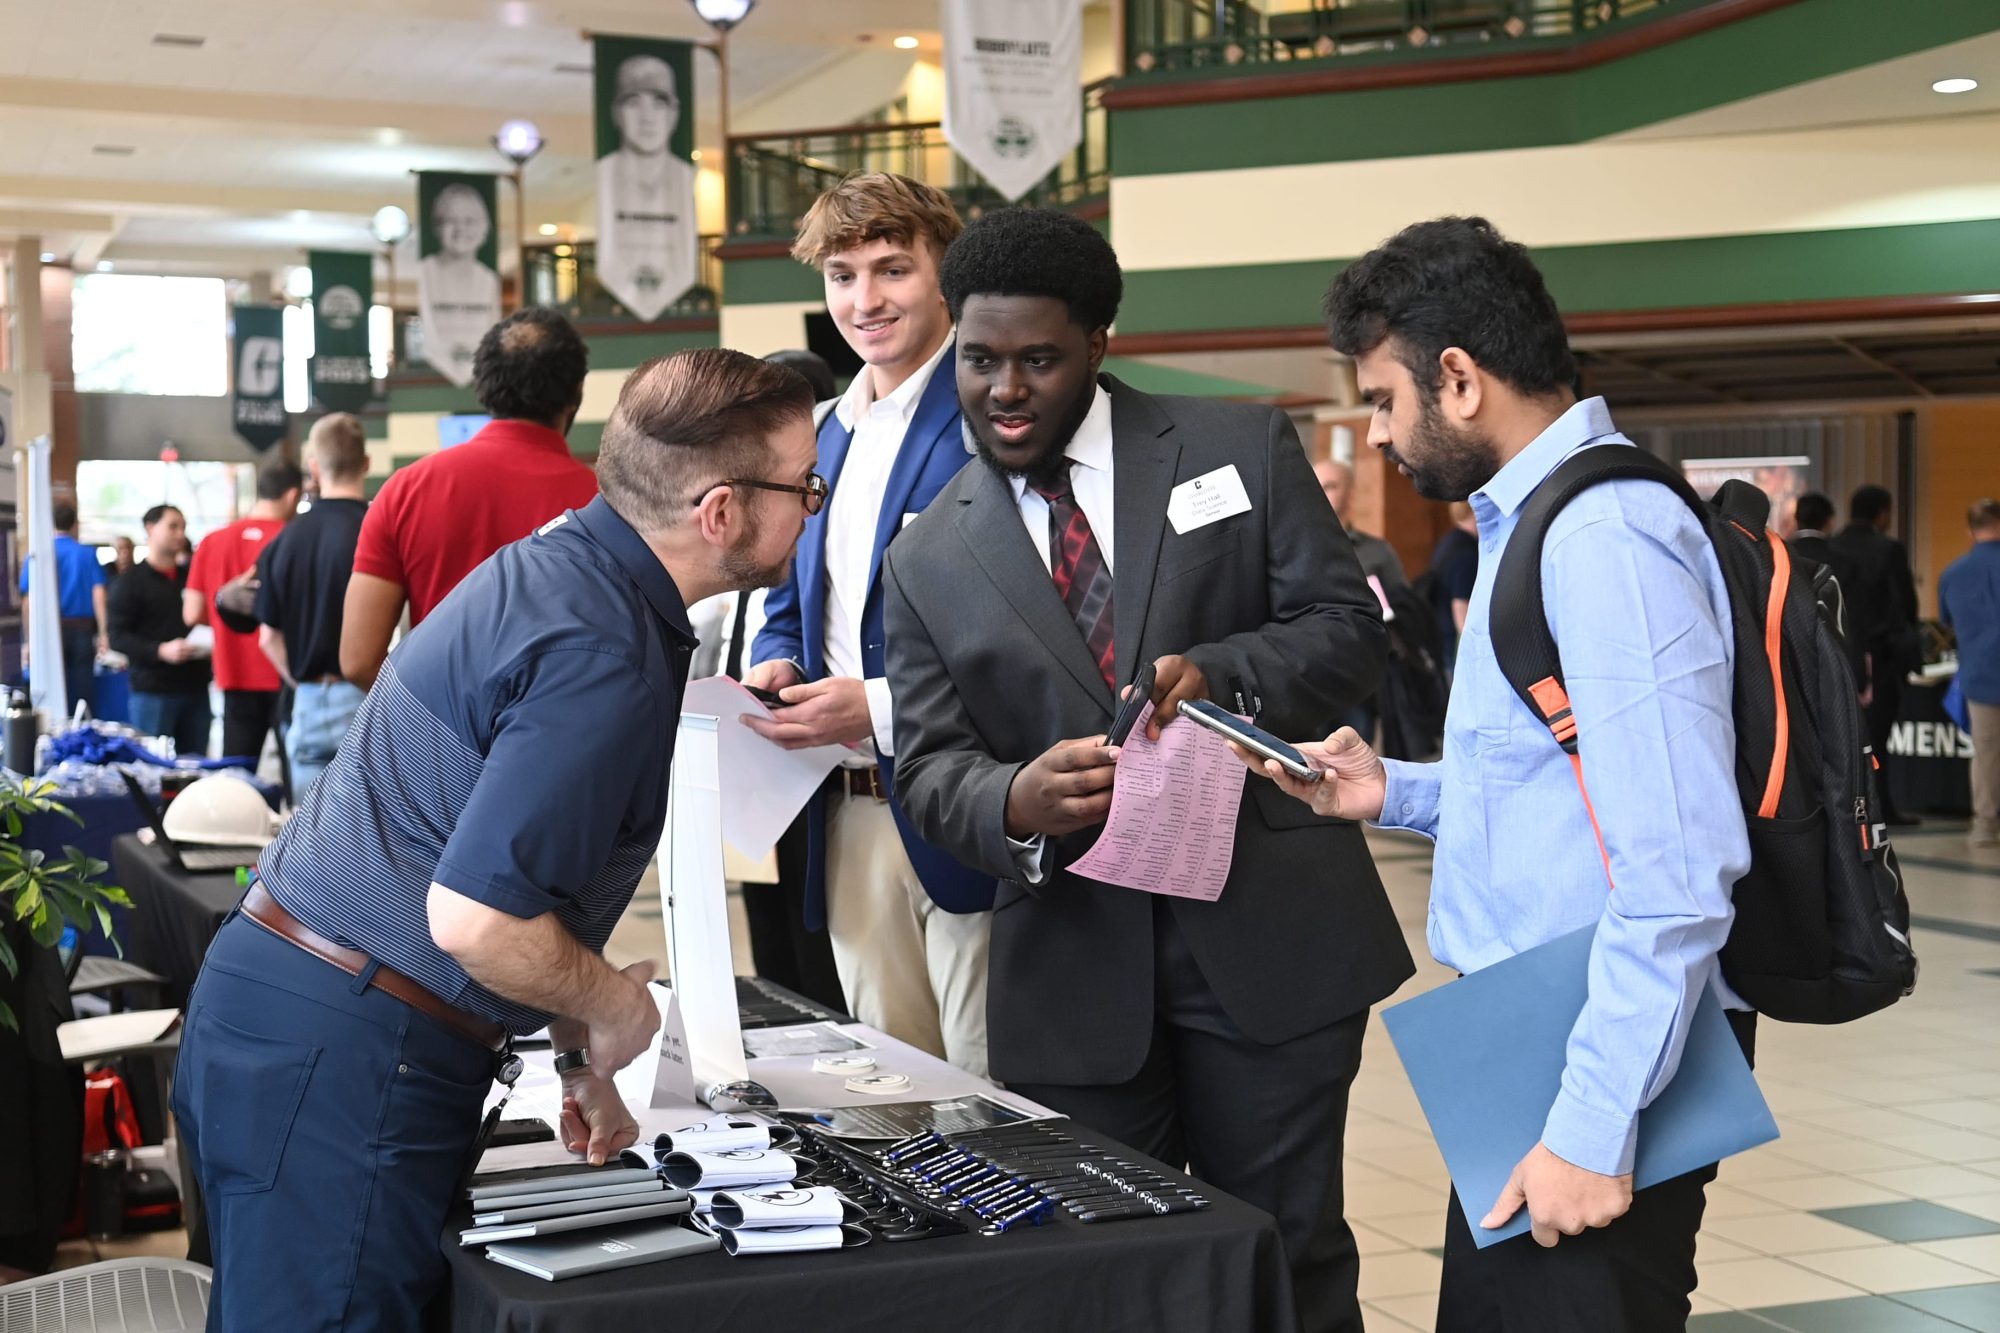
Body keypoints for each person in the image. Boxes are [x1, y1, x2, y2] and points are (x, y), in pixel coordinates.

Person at [171, 349, 819, 1332]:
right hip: (350, 1042)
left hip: (296, 1003)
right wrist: (615, 1009)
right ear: (719, 511)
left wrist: (572, 1050)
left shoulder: (573, 569)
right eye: (802, 487)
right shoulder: (601, 649)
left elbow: (513, 865)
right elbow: (476, 916)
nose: (812, 507)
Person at [883, 208, 1411, 1332]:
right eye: (979, 360)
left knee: (1287, 1250)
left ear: (1098, 343)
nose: (1004, 389)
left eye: (1038, 359)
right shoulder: (927, 551)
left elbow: (1344, 631)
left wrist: (1224, 672)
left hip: (1266, 944)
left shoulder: (1236, 447)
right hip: (1074, 970)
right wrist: (1011, 797)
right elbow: (928, 766)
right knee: (1110, 1274)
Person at [1254, 216, 1748, 1333]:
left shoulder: (1602, 538)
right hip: (1541, 1037)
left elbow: (1676, 866)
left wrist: (1587, 1125)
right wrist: (1394, 792)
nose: (1374, 431)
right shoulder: (1531, 526)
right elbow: (1550, 783)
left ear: (1459, 380)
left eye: (1380, 399)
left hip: (1598, 1055)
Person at [742, 173, 995, 1074]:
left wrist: (878, 706)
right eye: (843, 275)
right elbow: (786, 603)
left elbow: (1033, 635)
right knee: (894, 1088)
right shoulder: (823, 432)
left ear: (944, 276)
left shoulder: (990, 416)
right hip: (847, 816)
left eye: (892, 269)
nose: (865, 299)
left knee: (990, 1092)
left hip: (969, 805)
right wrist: (776, 663)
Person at [343, 307, 599, 689]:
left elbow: (359, 660)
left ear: (483, 383)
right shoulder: (605, 501)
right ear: (576, 392)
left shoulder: (405, 490)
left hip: (436, 736)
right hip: (567, 735)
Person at [256, 414, 371, 796]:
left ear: (314, 468)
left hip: (307, 700)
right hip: (369, 701)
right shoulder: (380, 532)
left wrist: (304, 681)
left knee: (312, 839)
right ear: (366, 464)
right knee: (372, 842)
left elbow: (268, 637)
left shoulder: (284, 542)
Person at [185, 458, 302, 761]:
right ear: (292, 495)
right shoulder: (294, 541)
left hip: (234, 673)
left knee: (236, 774)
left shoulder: (212, 542)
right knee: (295, 776)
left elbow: (191, 612)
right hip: (286, 672)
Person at [1832, 483, 1923, 824]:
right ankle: (1880, 805)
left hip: (1839, 654)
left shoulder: (1833, 547)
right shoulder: (1889, 550)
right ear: (1882, 512)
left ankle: (1852, 808)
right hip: (1880, 660)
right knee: (1878, 738)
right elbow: (1903, 606)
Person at [596, 54, 699, 320]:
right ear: (616, 113)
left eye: (659, 103)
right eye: (633, 102)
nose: (647, 116)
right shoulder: (605, 173)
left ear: (674, 113)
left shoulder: (685, 177)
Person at [107, 505, 211, 755]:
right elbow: (117, 637)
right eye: (173, 526)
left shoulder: (191, 578)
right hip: (153, 690)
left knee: (195, 767)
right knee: (153, 769)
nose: (180, 534)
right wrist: (160, 651)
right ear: (150, 528)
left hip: (195, 687)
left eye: (183, 527)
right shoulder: (130, 583)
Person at [1940, 498, 2000, 849]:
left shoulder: (1953, 572)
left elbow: (1946, 621)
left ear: (1969, 530)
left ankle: (1984, 826)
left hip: (1979, 674)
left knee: (1986, 752)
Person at [18, 499, 108, 712]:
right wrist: (104, 632)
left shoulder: (38, 555)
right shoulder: (86, 554)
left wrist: (28, 641)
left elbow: (28, 601)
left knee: (49, 688)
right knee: (82, 691)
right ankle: (81, 735)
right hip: (82, 630)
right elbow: (99, 594)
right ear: (74, 524)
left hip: (48, 631)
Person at [417, 183, 503, 386]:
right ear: (437, 227)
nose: (460, 229)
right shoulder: (425, 272)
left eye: (470, 221)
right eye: (451, 221)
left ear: (484, 227)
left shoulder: (489, 279)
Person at [1787, 491, 1867, 684]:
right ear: (1829, 521)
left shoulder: (1776, 555)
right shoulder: (1846, 561)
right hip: (1832, 658)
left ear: (1796, 519)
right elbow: (1854, 618)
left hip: (1788, 655)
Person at [1315, 456, 1409, 596]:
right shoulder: (1292, 548)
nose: (1320, 493)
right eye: (1315, 487)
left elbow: (1405, 607)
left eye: (1329, 486)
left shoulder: (1378, 551)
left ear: (1350, 494)